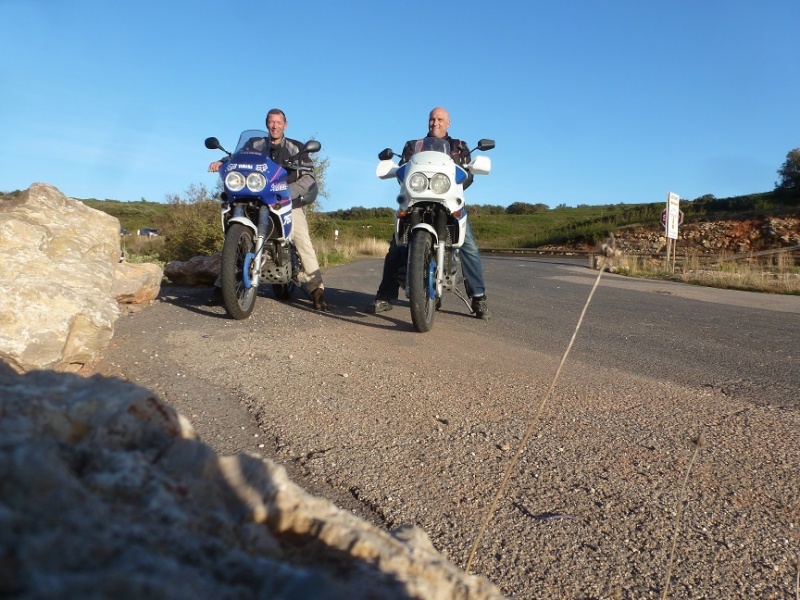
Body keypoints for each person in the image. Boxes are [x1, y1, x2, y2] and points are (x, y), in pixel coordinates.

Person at [366, 107, 490, 320]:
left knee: (468, 245)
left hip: (449, 201)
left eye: (440, 119)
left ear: (448, 123)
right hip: (416, 201)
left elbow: (469, 173)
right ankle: (385, 295)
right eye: (432, 119)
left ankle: (479, 297)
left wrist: (459, 180)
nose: (435, 123)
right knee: (396, 246)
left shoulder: (460, 146)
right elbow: (403, 170)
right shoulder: (412, 146)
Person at [208, 108, 327, 311]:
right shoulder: (254, 143)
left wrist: (289, 191)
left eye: (278, 122)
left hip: (286, 202)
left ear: (285, 125)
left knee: (302, 241)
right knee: (232, 238)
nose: (274, 126)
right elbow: (239, 159)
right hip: (253, 198)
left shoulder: (296, 147)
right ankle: (224, 286)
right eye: (271, 122)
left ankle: (317, 291)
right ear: (266, 124)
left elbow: (309, 177)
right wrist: (223, 162)